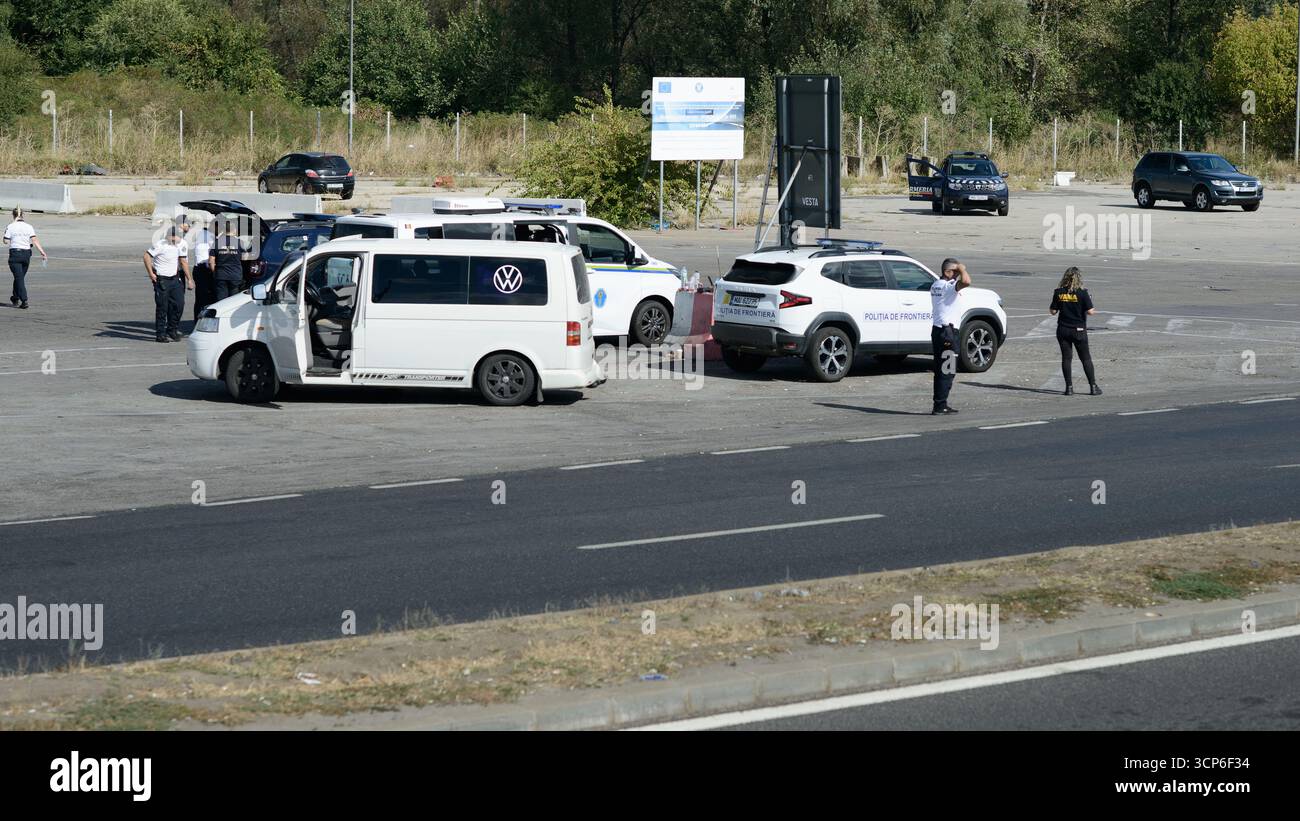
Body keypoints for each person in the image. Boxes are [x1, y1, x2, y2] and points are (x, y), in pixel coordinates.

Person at [1050, 266, 1101, 395]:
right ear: (1079, 278)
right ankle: (1093, 387)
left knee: (1066, 359)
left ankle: (1069, 388)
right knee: (1086, 359)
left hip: (1063, 329)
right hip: (1078, 329)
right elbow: (1090, 312)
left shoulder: (1059, 292)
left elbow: (1053, 311)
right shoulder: (1082, 292)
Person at [930, 258, 970, 414]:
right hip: (948, 333)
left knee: (942, 369)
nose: (958, 274)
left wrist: (959, 270)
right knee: (948, 369)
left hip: (939, 331)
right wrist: (962, 269)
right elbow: (966, 281)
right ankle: (940, 405)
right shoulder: (948, 286)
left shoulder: (936, 285)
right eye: (955, 272)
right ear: (948, 272)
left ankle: (940, 403)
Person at [144, 227, 193, 343]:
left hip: (175, 279)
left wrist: (189, 279)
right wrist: (151, 273)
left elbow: (183, 261)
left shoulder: (180, 244)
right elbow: (146, 256)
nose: (178, 239)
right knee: (162, 307)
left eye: (179, 237)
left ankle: (172, 329)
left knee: (179, 305)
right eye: (175, 237)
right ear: (169, 236)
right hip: (162, 279)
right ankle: (160, 334)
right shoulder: (160, 244)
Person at [4, 208, 48, 310]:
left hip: (15, 254)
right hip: (26, 254)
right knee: (19, 277)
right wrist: (42, 251)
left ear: (13, 215)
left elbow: (5, 241)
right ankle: (15, 297)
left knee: (19, 278)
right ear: (23, 215)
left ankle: (24, 300)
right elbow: (34, 240)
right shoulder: (29, 226)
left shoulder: (10, 226)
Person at [209, 216, 250, 303]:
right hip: (235, 275)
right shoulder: (240, 242)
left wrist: (215, 272)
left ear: (224, 230)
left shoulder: (217, 242)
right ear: (234, 230)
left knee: (221, 301)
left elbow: (211, 260)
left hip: (221, 275)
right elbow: (245, 258)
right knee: (233, 301)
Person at [189, 214, 215, 320]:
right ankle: (198, 321)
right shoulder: (201, 234)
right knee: (201, 298)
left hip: (210, 268)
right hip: (202, 269)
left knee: (211, 297)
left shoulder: (217, 236)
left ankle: (208, 319)